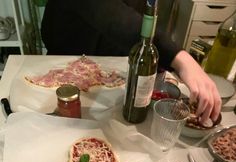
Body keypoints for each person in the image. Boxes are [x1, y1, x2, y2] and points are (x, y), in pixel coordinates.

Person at [41, 0, 222, 124]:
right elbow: (112, 16)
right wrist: (181, 59)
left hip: (112, 66)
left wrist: (155, 61)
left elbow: (142, 18)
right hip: (65, 62)